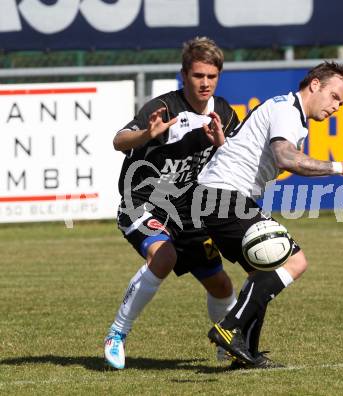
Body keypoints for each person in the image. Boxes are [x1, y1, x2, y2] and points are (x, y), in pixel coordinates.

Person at [193, 61, 343, 369]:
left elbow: (242, 148)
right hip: (225, 196)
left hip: (217, 196)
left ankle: (245, 352)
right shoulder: (288, 112)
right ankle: (229, 327)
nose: (337, 107)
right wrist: (341, 167)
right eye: (334, 96)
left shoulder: (285, 109)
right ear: (314, 84)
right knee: (294, 261)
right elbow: (286, 157)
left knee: (263, 271)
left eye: (342, 102)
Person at [104, 37, 240, 369]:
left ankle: (227, 342)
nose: (205, 83)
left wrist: (223, 144)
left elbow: (234, 162)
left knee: (220, 284)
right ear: (184, 75)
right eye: (198, 76)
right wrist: (147, 134)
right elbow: (119, 140)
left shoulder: (223, 112)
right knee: (163, 255)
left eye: (211, 76)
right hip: (141, 202)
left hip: (188, 210)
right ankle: (116, 334)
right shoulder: (163, 108)